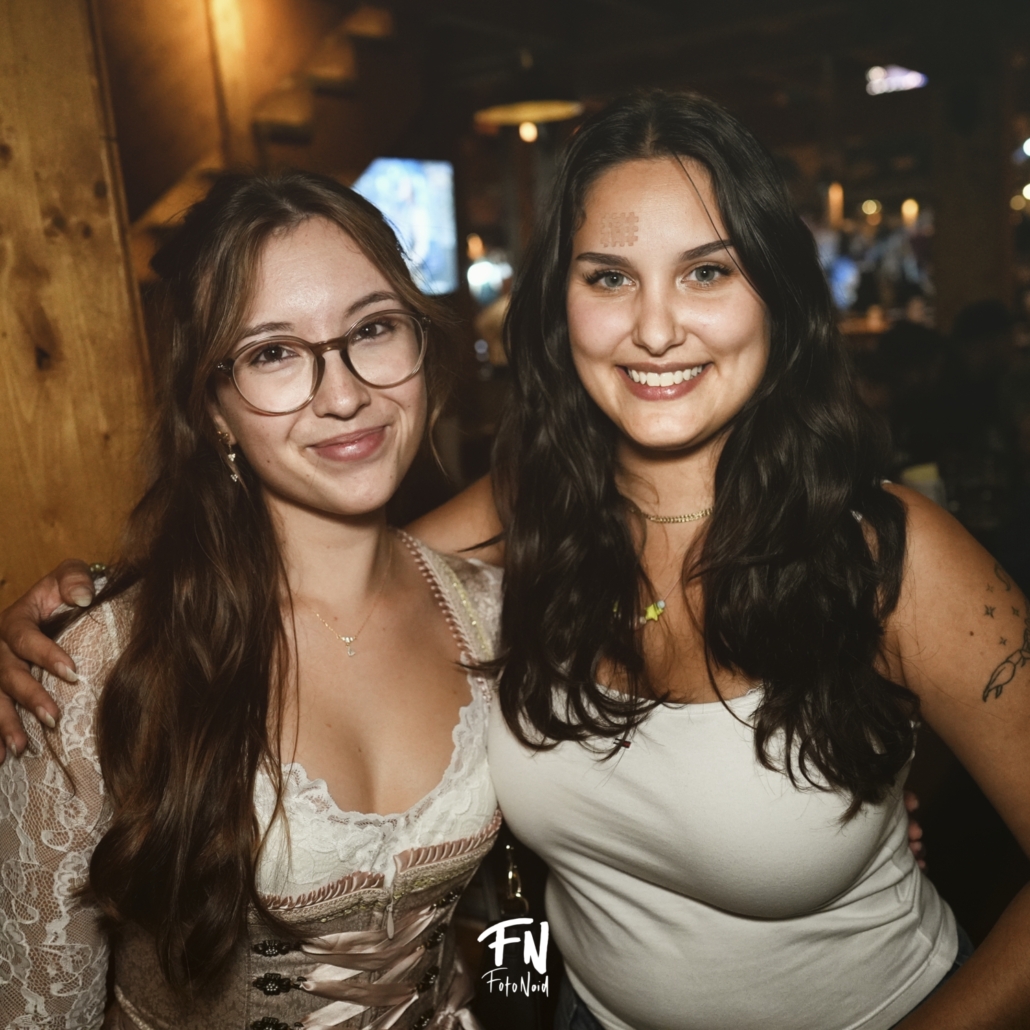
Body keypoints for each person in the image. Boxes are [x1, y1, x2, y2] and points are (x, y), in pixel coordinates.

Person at [1, 91, 1024, 1029]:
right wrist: (83, 610)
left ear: (777, 293)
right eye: (608, 276)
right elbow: (337, 575)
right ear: (560, 303)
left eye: (707, 270)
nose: (655, 327)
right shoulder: (536, 520)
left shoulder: (885, 554)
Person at [0, 171, 502, 1028]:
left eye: (373, 329)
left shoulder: (493, 614)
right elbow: (40, 1012)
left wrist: (521, 994)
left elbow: (537, 915)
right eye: (273, 353)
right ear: (215, 410)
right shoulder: (101, 663)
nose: (343, 394)